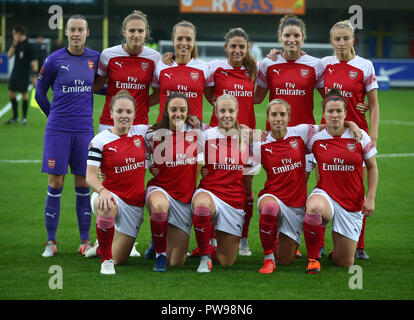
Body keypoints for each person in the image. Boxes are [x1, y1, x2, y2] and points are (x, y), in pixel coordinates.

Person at [256, 98, 361, 273]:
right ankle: (268, 259)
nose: (278, 118)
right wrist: (248, 131)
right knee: (269, 209)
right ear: (267, 117)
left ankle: (278, 242)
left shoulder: (301, 132)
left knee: (285, 261)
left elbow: (331, 126)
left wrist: (351, 124)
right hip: (272, 196)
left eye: (282, 114)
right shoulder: (260, 141)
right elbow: (233, 148)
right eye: (274, 114)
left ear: (289, 117)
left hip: (296, 205)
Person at [35, 15, 100, 257]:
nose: (76, 33)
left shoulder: (95, 58)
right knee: (56, 183)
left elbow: (104, 85)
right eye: (72, 29)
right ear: (66, 32)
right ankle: (51, 242)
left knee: (83, 184)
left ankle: (84, 241)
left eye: (80, 30)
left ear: (87, 32)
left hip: (84, 131)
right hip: (58, 131)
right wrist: (54, 118)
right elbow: (40, 93)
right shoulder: (53, 60)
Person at [319, 20, 380, 259]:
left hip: (358, 136)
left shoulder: (365, 66)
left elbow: (374, 105)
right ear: (331, 41)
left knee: (357, 191)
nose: (342, 43)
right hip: (329, 136)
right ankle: (320, 243)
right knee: (324, 187)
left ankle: (359, 244)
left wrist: (373, 134)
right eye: (337, 39)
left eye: (346, 38)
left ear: (353, 39)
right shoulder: (325, 65)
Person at [304, 88, 378, 273]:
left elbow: (372, 167)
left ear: (345, 113)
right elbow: (305, 170)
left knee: (345, 262)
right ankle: (313, 259)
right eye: (330, 111)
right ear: (324, 114)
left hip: (351, 202)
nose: (334, 115)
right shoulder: (314, 139)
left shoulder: (359, 136)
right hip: (325, 194)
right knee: (314, 208)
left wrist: (370, 198)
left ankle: (336, 253)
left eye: (338, 111)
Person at [204, 27, 258, 256]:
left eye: (241, 46)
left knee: (246, 187)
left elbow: (261, 96)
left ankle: (243, 237)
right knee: (213, 181)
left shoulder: (256, 70)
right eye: (233, 46)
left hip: (247, 137)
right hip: (219, 137)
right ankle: (211, 237)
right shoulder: (214, 68)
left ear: (248, 49)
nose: (237, 50)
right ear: (226, 47)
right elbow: (207, 93)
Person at [86, 90, 149, 274]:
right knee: (105, 205)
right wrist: (102, 190)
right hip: (111, 195)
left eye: (128, 112)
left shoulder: (142, 134)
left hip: (134, 203)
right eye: (119, 111)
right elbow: (90, 175)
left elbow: (168, 127)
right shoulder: (100, 140)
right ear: (111, 113)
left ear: (134, 114)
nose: (124, 116)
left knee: (120, 259)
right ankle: (106, 262)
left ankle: (100, 247)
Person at [192, 94, 257, 273]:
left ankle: (207, 248)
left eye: (230, 111)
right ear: (216, 112)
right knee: (202, 207)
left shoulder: (247, 137)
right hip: (209, 192)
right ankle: (205, 257)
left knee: (226, 261)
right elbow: (187, 160)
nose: (226, 115)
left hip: (234, 200)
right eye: (222, 111)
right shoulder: (206, 136)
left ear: (237, 112)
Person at [145, 92, 204, 272]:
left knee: (177, 262)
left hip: (184, 198)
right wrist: (149, 165)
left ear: (188, 112)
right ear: (166, 111)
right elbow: (140, 153)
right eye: (174, 109)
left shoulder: (197, 132)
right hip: (160, 190)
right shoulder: (153, 134)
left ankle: (157, 242)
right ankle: (160, 256)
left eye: (182, 110)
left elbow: (224, 131)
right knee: (160, 206)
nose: (178, 113)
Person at [94, 10, 161, 132]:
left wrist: (137, 106)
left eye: (140, 31)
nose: (136, 35)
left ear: (146, 33)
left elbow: (157, 95)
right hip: (109, 123)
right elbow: (97, 86)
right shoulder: (108, 55)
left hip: (139, 124)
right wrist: (65, 92)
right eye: (132, 31)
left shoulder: (155, 58)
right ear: (124, 32)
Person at [255, 15, 324, 130]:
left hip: (305, 132)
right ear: (280, 37)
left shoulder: (315, 65)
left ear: (302, 37)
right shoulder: (268, 63)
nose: (291, 40)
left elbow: (329, 98)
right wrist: (227, 95)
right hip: (275, 132)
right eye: (287, 35)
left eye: (296, 35)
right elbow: (258, 98)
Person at [151, 20, 213, 123]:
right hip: (164, 130)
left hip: (193, 131)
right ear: (173, 40)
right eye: (179, 38)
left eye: (188, 39)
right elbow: (155, 97)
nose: (184, 43)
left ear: (194, 41)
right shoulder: (160, 65)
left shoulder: (204, 68)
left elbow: (212, 99)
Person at [5, 25, 38, 126]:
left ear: (18, 34)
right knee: (11, 93)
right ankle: (15, 117)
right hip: (15, 72)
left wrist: (35, 76)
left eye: (14, 34)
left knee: (24, 95)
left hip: (24, 74)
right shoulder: (17, 44)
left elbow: (35, 60)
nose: (13, 36)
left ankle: (24, 118)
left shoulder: (29, 45)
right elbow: (9, 56)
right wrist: (14, 44)